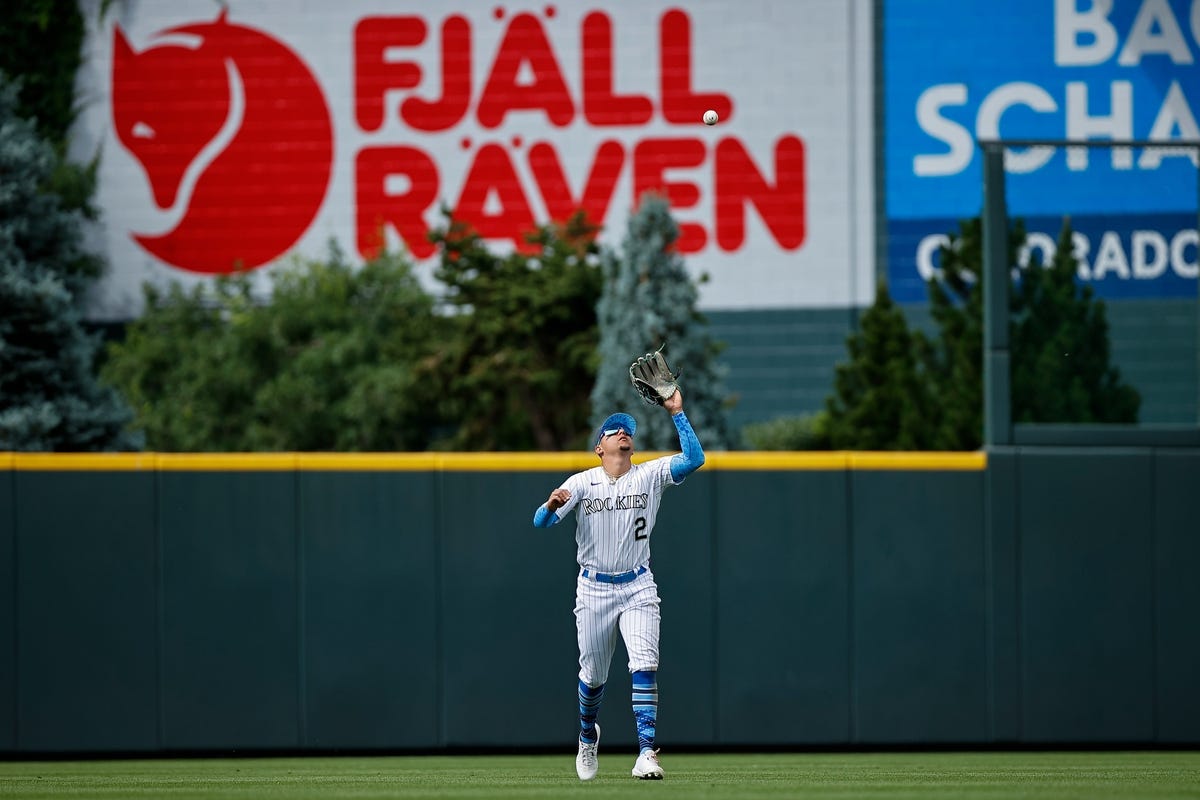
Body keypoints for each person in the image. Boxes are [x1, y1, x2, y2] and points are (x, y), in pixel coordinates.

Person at [532, 388, 705, 781]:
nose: (623, 433)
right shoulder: (582, 483)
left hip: (638, 585)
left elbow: (695, 459)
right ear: (599, 447)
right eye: (614, 430)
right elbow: (540, 523)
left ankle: (646, 752)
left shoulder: (650, 475)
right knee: (593, 675)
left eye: (628, 431)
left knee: (645, 664)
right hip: (593, 588)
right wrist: (550, 505)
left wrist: (676, 411)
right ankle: (586, 736)